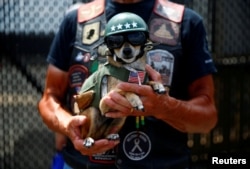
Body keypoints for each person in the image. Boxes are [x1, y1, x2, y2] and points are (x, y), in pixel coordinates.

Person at [38, 0, 218, 168]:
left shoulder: (185, 22)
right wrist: (68, 125)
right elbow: (50, 98)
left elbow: (207, 118)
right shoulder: (76, 20)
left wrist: (163, 107)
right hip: (82, 163)